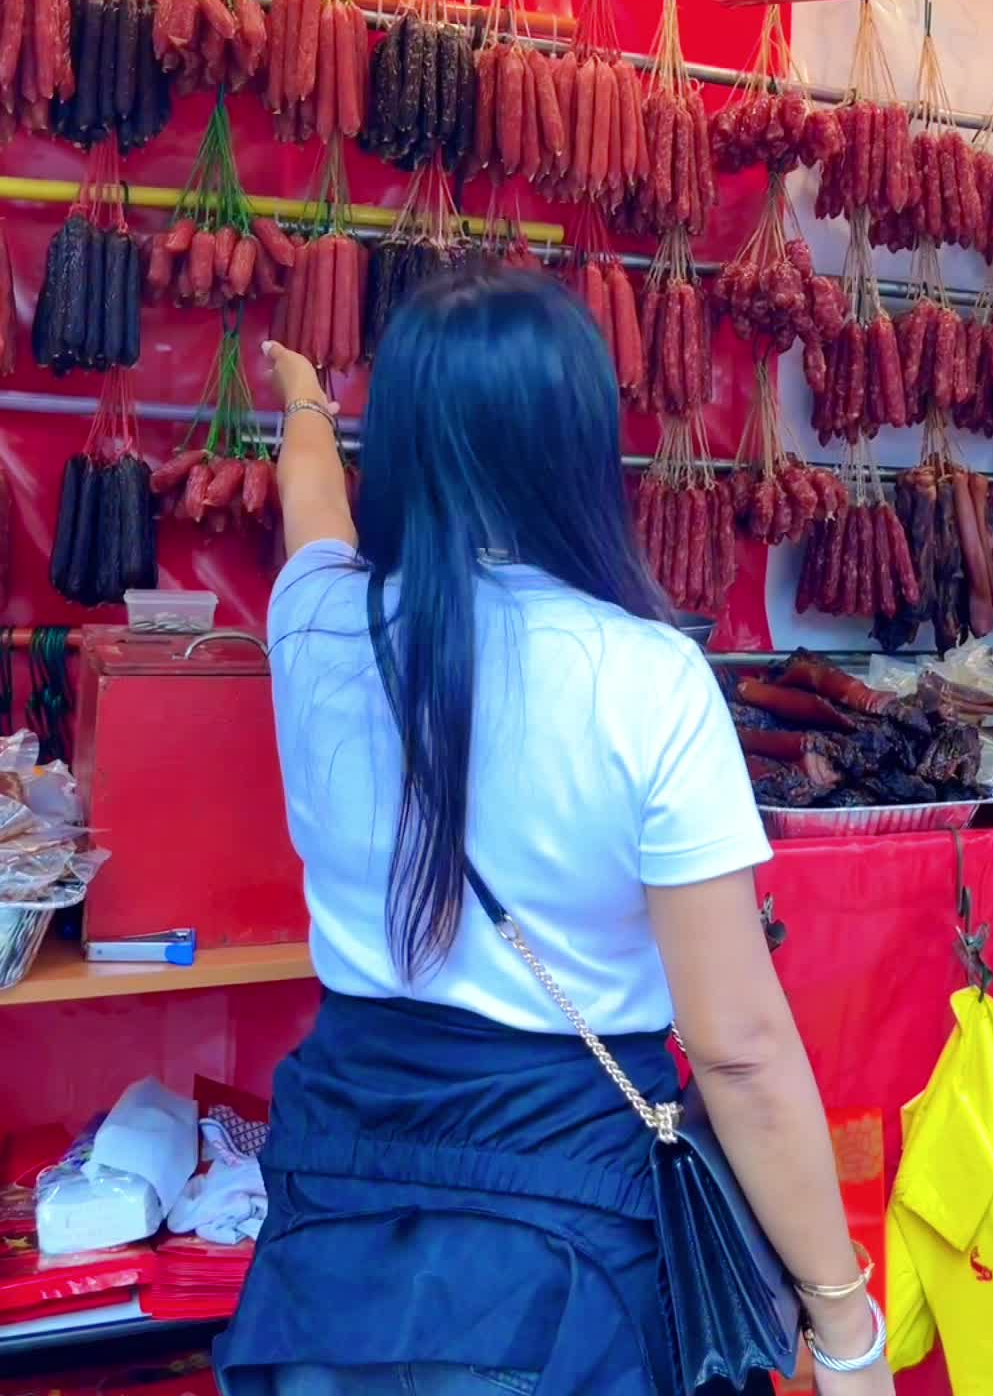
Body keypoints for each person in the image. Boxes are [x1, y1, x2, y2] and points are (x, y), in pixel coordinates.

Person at [216, 266, 894, 1396]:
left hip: (342, 1177)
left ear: (402, 439)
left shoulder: (314, 620)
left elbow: (313, 508)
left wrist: (300, 406)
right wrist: (842, 1319)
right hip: (571, 1203)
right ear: (579, 445)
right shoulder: (649, 679)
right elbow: (738, 1047)